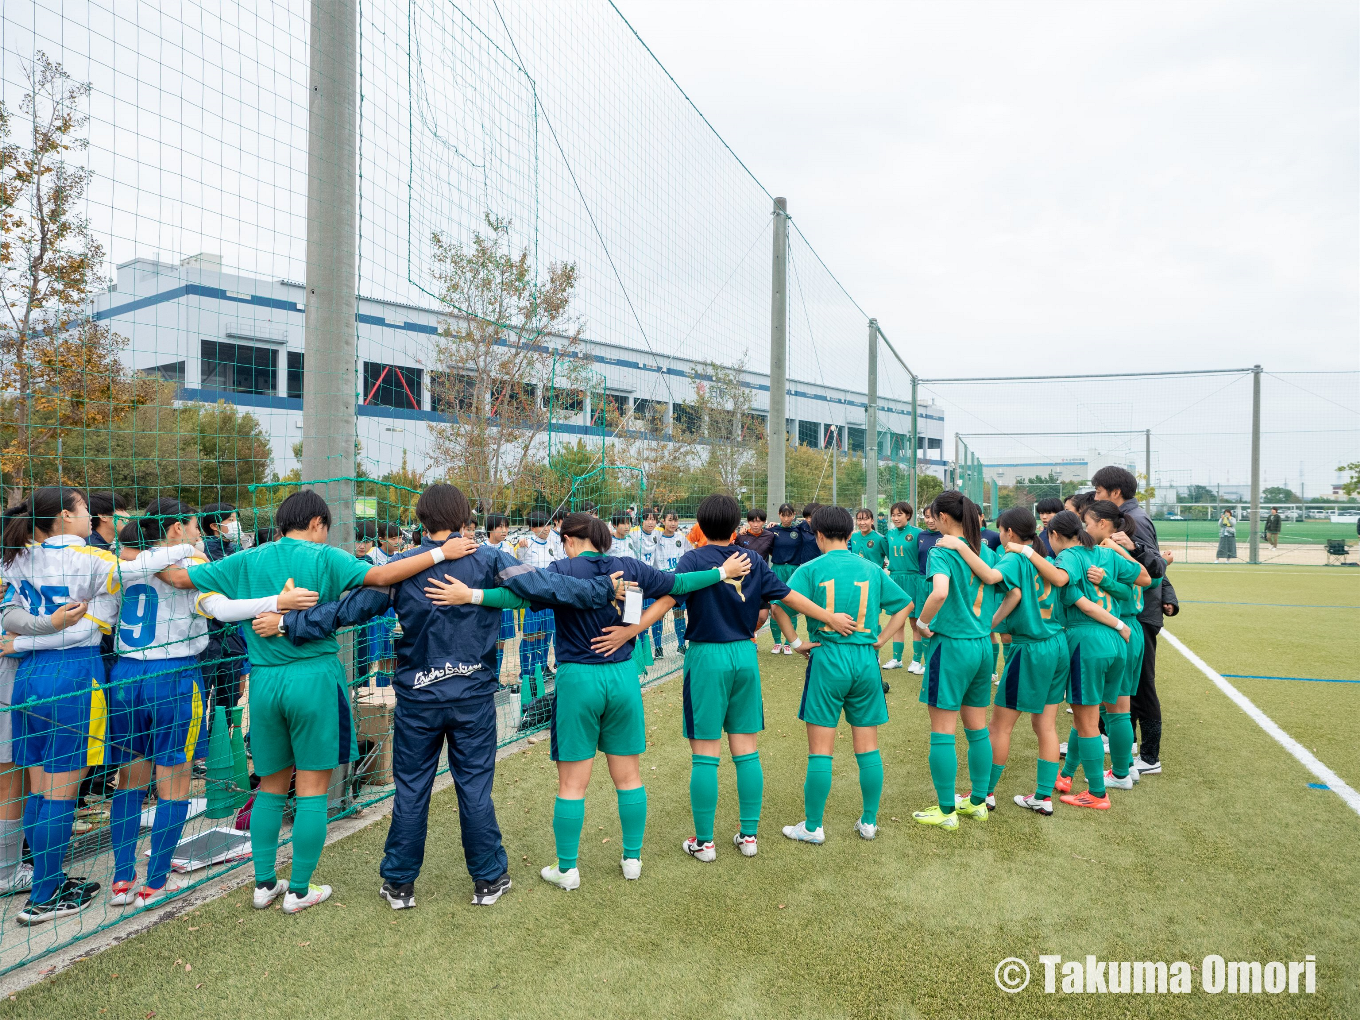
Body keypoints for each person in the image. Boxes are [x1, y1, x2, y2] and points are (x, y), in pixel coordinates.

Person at [259, 484, 622, 909]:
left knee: (412, 789)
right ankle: (487, 879)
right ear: (464, 517)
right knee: (473, 788)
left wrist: (289, 624)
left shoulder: (411, 565)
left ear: (421, 520)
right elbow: (545, 585)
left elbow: (347, 610)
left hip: (422, 700)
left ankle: (399, 884)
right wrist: (602, 590)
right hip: (467, 699)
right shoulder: (482, 558)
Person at [162, 489, 478, 915]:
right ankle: (299, 890)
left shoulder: (247, 558)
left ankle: (263, 883)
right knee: (312, 788)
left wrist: (137, 555)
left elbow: (181, 579)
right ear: (316, 523)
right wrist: (441, 554)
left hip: (265, 682)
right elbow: (384, 576)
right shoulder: (323, 556)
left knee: (271, 785)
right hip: (313, 677)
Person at [436, 512, 748, 891]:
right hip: (622, 678)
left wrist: (469, 595)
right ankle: (632, 858)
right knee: (629, 777)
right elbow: (679, 583)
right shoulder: (628, 566)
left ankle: (567, 869)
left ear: (569, 539)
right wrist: (720, 572)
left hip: (578, 679)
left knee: (571, 784)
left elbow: (514, 595)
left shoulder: (561, 569)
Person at [602, 495, 853, 861]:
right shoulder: (751, 558)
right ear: (737, 526)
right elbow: (791, 597)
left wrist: (629, 631)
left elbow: (666, 601)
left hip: (706, 656)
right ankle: (748, 836)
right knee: (747, 751)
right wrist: (829, 618)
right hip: (744, 655)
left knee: (705, 754)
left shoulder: (693, 559)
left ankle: (704, 843)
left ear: (700, 527)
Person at [0, 488, 202, 924]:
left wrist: (24, 639)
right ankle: (45, 896)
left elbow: (8, 616)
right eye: (85, 509)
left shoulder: (18, 557)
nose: (92, 516)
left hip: (29, 678)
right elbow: (139, 565)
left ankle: (46, 880)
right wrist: (188, 545)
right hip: (76, 676)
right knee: (60, 794)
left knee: (39, 788)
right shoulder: (88, 559)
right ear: (65, 516)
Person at [104, 499, 314, 909]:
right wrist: (277, 603)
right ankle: (156, 882)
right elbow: (222, 607)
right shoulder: (191, 568)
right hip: (175, 676)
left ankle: (121, 880)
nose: (200, 532)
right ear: (176, 529)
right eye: (195, 525)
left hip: (125, 676)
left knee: (128, 781)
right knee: (173, 782)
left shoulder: (127, 563)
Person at [772, 505, 913, 845]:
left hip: (828, 658)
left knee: (821, 750)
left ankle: (813, 826)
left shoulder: (810, 568)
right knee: (868, 747)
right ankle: (868, 822)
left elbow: (778, 605)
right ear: (851, 535)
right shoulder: (870, 568)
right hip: (866, 661)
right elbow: (905, 605)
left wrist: (796, 642)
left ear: (818, 535)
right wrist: (878, 640)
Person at [1021, 510, 1143, 811]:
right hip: (1117, 640)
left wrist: (1026, 552)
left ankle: (1098, 793)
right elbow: (1143, 580)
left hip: (1086, 640)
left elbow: (1064, 583)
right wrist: (1112, 588)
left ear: (1053, 535)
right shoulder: (1104, 554)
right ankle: (1070, 775)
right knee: (1096, 714)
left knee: (1087, 721)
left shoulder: (1069, 557)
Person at [909, 492, 1000, 831]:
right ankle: (977, 802)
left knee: (943, 731)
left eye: (933, 515)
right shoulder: (986, 552)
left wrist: (922, 623)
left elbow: (940, 592)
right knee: (977, 728)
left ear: (944, 518)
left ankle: (946, 809)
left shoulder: (941, 550)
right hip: (981, 646)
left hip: (951, 647)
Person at [0, 584, 91, 899]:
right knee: (26, 784)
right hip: (28, 674)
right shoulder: (23, 566)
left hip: (25, 675)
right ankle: (19, 878)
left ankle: (28, 873)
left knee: (32, 786)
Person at [982, 508, 1069, 815]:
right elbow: (1018, 594)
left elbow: (1004, 586)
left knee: (999, 726)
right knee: (1045, 724)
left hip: (1031, 648)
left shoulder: (1013, 557)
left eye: (1000, 530)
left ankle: (985, 793)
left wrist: (986, 623)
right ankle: (1043, 797)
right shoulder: (1042, 556)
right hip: (1058, 644)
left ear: (1009, 533)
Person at [1091, 465, 1166, 775]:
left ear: (1115, 493)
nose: (1095, 497)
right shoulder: (1124, 519)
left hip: (1139, 615)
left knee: (1142, 685)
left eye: (1098, 492)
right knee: (1125, 687)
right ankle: (1121, 741)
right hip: (1130, 612)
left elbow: (1156, 566)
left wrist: (1166, 596)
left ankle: (1150, 757)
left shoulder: (1135, 522)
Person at [1079, 500, 1155, 791]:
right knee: (1118, 707)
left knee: (1116, 708)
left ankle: (1121, 772)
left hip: (1120, 627)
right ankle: (1126, 768)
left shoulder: (1110, 550)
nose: (1085, 529)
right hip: (1129, 629)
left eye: (1087, 522)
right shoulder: (1122, 548)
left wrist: (1106, 580)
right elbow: (1148, 578)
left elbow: (1143, 581)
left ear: (1102, 523)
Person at [515, 512, 557, 680]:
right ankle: (525, 673)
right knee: (529, 636)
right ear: (532, 528)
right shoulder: (526, 545)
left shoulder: (552, 544)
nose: (546, 528)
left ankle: (539, 668)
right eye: (541, 525)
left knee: (544, 634)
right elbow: (518, 558)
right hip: (532, 600)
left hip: (549, 599)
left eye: (548, 524)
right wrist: (520, 545)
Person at [883, 501, 923, 672]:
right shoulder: (889, 535)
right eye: (893, 515)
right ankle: (897, 658)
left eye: (899, 514)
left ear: (908, 515)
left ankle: (916, 660)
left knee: (914, 622)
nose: (896, 518)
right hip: (896, 579)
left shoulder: (918, 534)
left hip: (913, 579)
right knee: (897, 622)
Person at [653, 511, 692, 654]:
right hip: (660, 581)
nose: (673, 523)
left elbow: (690, 554)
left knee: (679, 613)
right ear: (663, 521)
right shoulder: (656, 538)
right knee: (658, 614)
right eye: (670, 520)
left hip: (677, 581)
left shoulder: (681, 538)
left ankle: (681, 645)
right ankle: (658, 647)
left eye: (675, 520)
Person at [766, 503, 803, 654]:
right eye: (783, 515)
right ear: (779, 515)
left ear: (794, 515)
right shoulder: (772, 530)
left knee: (791, 605)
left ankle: (788, 642)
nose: (786, 518)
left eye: (789, 515)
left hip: (794, 570)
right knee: (774, 606)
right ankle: (776, 642)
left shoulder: (799, 531)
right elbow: (765, 545)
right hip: (777, 569)